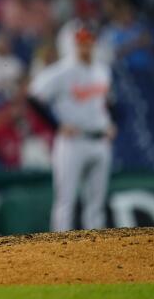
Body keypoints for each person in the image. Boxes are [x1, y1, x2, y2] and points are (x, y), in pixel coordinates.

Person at [28, 26, 116, 232]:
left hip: (100, 140)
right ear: (73, 44)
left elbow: (105, 102)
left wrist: (110, 121)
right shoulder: (62, 70)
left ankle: (97, 253)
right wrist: (57, 125)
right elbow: (33, 96)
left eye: (88, 41)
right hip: (72, 143)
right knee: (65, 201)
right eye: (81, 42)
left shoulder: (102, 69)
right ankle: (60, 252)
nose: (85, 45)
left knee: (96, 205)